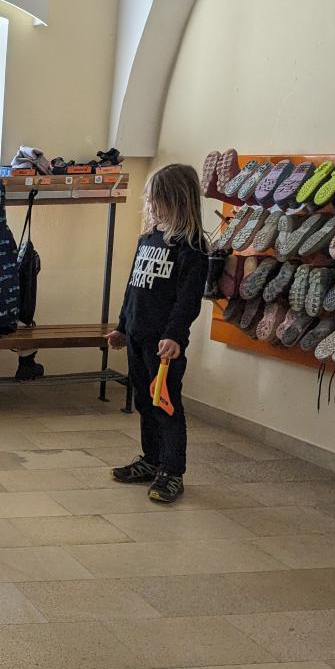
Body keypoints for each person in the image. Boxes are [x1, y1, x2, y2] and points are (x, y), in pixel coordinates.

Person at [107, 163, 209, 503]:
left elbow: (187, 299)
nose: (150, 205)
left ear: (177, 201)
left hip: (164, 344)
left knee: (165, 405)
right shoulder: (148, 238)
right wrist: (122, 326)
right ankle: (151, 461)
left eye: (157, 199)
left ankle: (172, 471)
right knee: (143, 402)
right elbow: (134, 288)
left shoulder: (192, 247)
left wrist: (174, 336)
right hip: (136, 335)